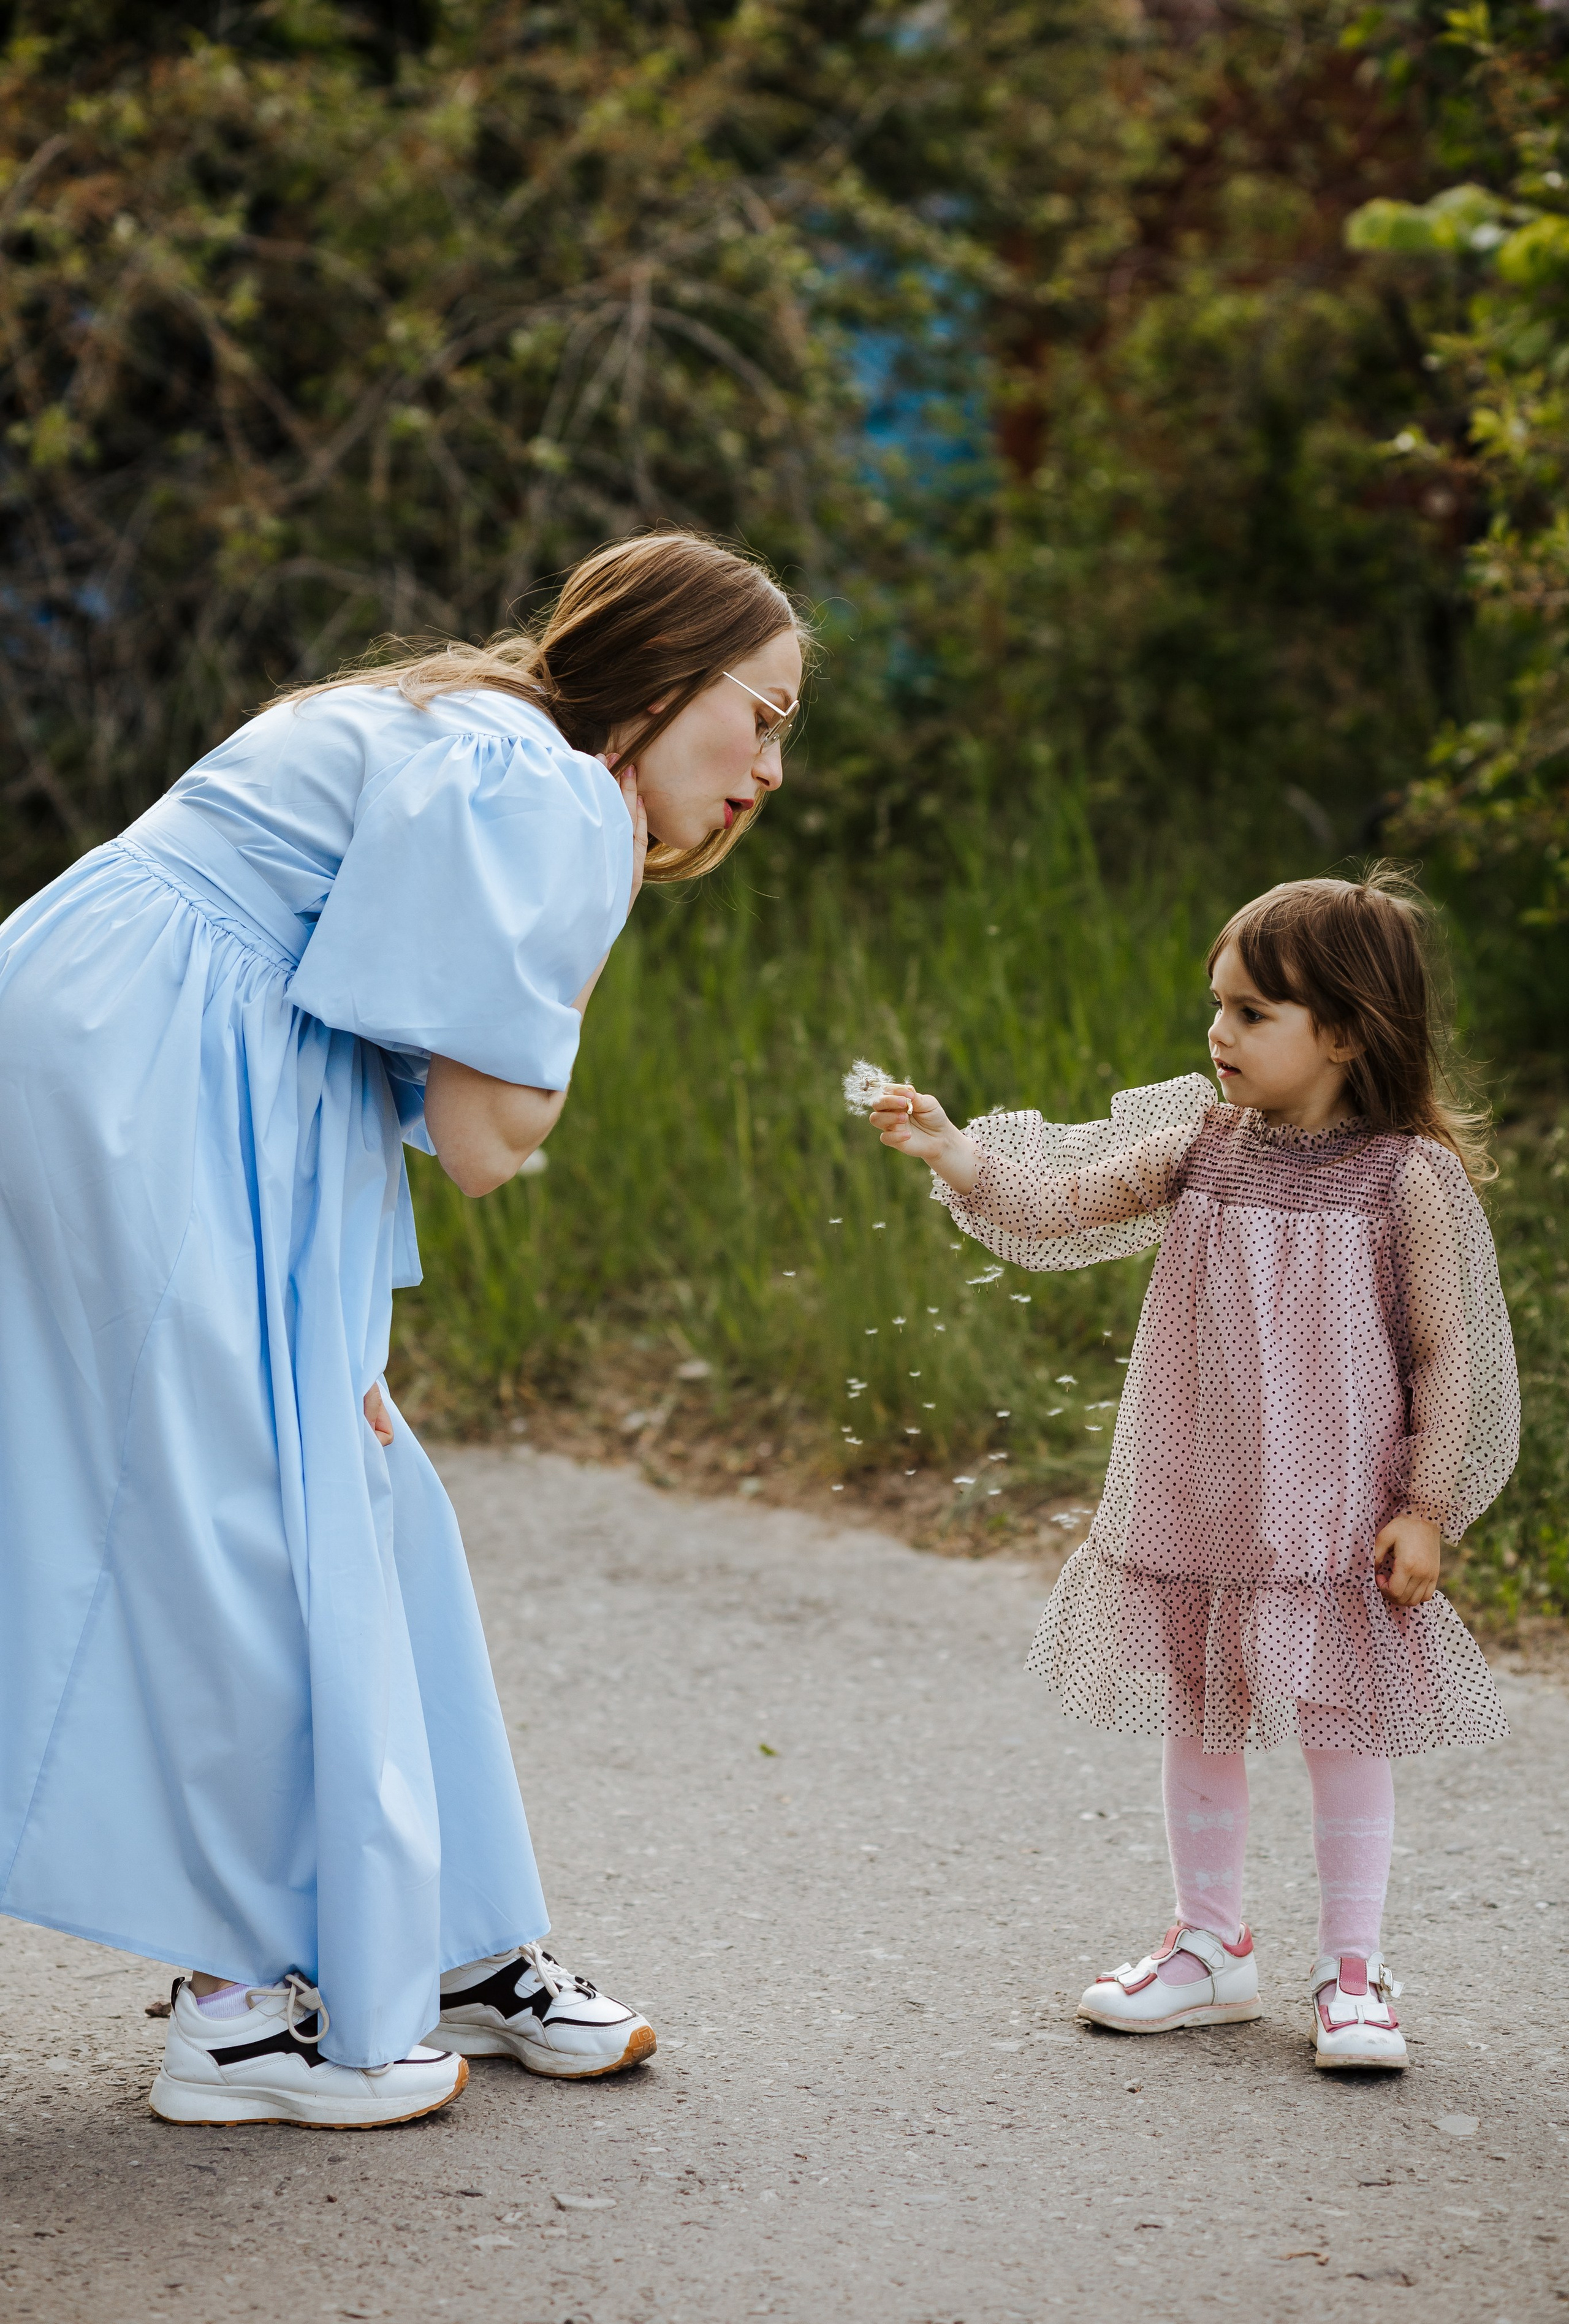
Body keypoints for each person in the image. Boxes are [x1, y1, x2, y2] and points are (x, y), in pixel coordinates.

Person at [0, 530, 806, 2128]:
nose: (770, 768)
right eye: (761, 715)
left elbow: (368, 1057)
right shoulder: (546, 789)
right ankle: (233, 2013)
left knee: (350, 1486)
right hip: (138, 1078)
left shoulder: (470, 737)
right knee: (233, 1532)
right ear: (659, 678)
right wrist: (564, 956)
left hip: (142, 1049)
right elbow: (494, 1140)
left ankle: (446, 1939)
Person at [867, 870, 1518, 2070]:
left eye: (1250, 1013)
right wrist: (953, 1150)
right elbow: (1059, 1204)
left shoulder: (1402, 1177)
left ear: (1343, 1031)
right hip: (1196, 1485)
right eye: (1214, 1005)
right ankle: (1210, 1944)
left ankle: (1353, 1970)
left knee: (1339, 1722)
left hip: (1328, 1506)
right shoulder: (1199, 1147)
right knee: (1194, 1704)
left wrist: (1424, 1506)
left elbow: (1445, 1349)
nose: (1216, 1034)